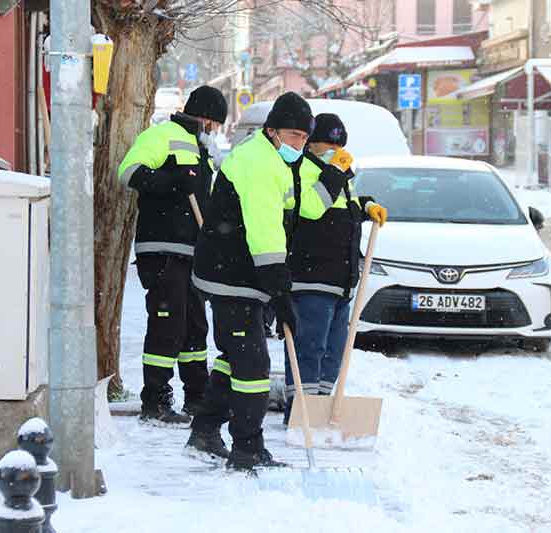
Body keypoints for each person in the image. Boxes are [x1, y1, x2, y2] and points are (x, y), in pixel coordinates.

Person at [185, 92, 349, 470]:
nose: (300, 145)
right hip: (234, 273)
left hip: (246, 274)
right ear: (272, 130)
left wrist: (334, 176)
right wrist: (280, 290)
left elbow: (307, 208)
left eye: (304, 139)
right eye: (293, 135)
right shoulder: (257, 162)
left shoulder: (280, 160)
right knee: (254, 366)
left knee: (235, 357)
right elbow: (264, 232)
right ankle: (248, 448)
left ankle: (206, 430)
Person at [117, 85, 228, 424]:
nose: (217, 130)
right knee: (169, 324)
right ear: (206, 118)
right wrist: (169, 180)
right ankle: (156, 399)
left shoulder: (203, 150)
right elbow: (128, 172)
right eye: (217, 124)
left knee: (195, 327)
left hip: (194, 252)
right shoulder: (163, 135)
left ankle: (196, 395)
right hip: (163, 248)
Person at [283, 113, 387, 425]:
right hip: (311, 277)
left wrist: (366, 207)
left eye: (338, 145)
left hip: (342, 280)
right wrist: (333, 170)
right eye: (327, 144)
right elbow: (312, 209)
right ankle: (302, 410)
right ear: (310, 144)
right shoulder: (301, 171)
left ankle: (326, 408)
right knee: (309, 347)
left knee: (334, 351)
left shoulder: (342, 176)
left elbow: (345, 208)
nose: (334, 150)